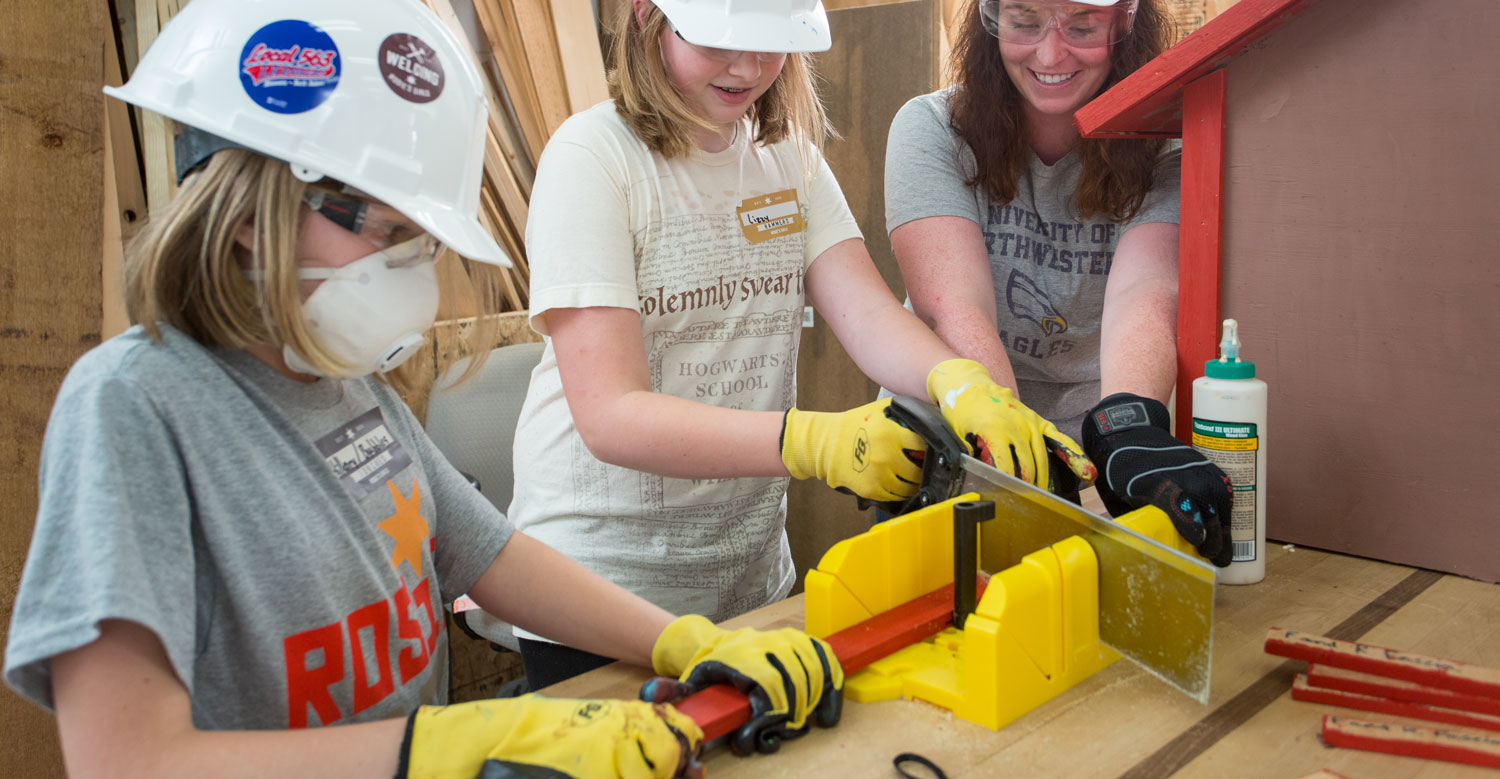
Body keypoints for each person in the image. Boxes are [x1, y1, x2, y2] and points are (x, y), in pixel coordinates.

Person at [3, 1, 842, 776]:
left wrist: (684, 643)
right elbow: (126, 759)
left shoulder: (347, 387)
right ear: (252, 213)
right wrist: (443, 743)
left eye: (425, 239)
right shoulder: (132, 407)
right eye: (389, 231)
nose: (411, 267)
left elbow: (492, 556)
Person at [507, 0, 1100, 690]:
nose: (748, 67)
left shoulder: (789, 162)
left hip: (751, 576)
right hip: (599, 592)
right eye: (720, 42)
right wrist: (814, 441)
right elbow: (609, 414)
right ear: (648, 16)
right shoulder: (593, 159)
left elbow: (870, 316)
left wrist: (962, 383)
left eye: (769, 44)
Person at [884, 0, 1235, 565]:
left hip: (1091, 462)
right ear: (990, 20)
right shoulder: (931, 129)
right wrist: (1014, 437)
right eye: (1024, 22)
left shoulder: (1169, 144)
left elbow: (1144, 294)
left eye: (1082, 26)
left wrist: (1128, 427)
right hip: (953, 443)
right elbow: (953, 308)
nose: (1050, 53)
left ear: (1125, 19)